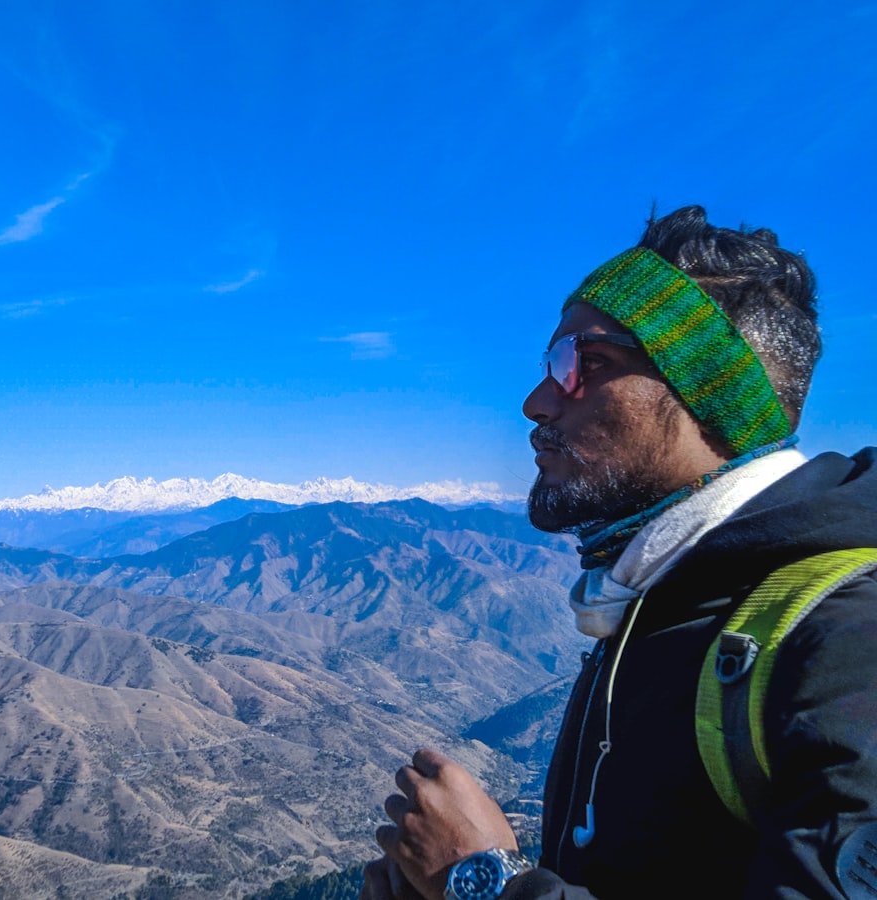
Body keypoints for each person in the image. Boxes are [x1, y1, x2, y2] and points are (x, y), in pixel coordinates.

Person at [361, 205, 877, 899]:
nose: (537, 401)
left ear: (708, 394)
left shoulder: (847, 638)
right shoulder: (666, 593)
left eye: (584, 363)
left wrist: (484, 883)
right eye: (551, 363)